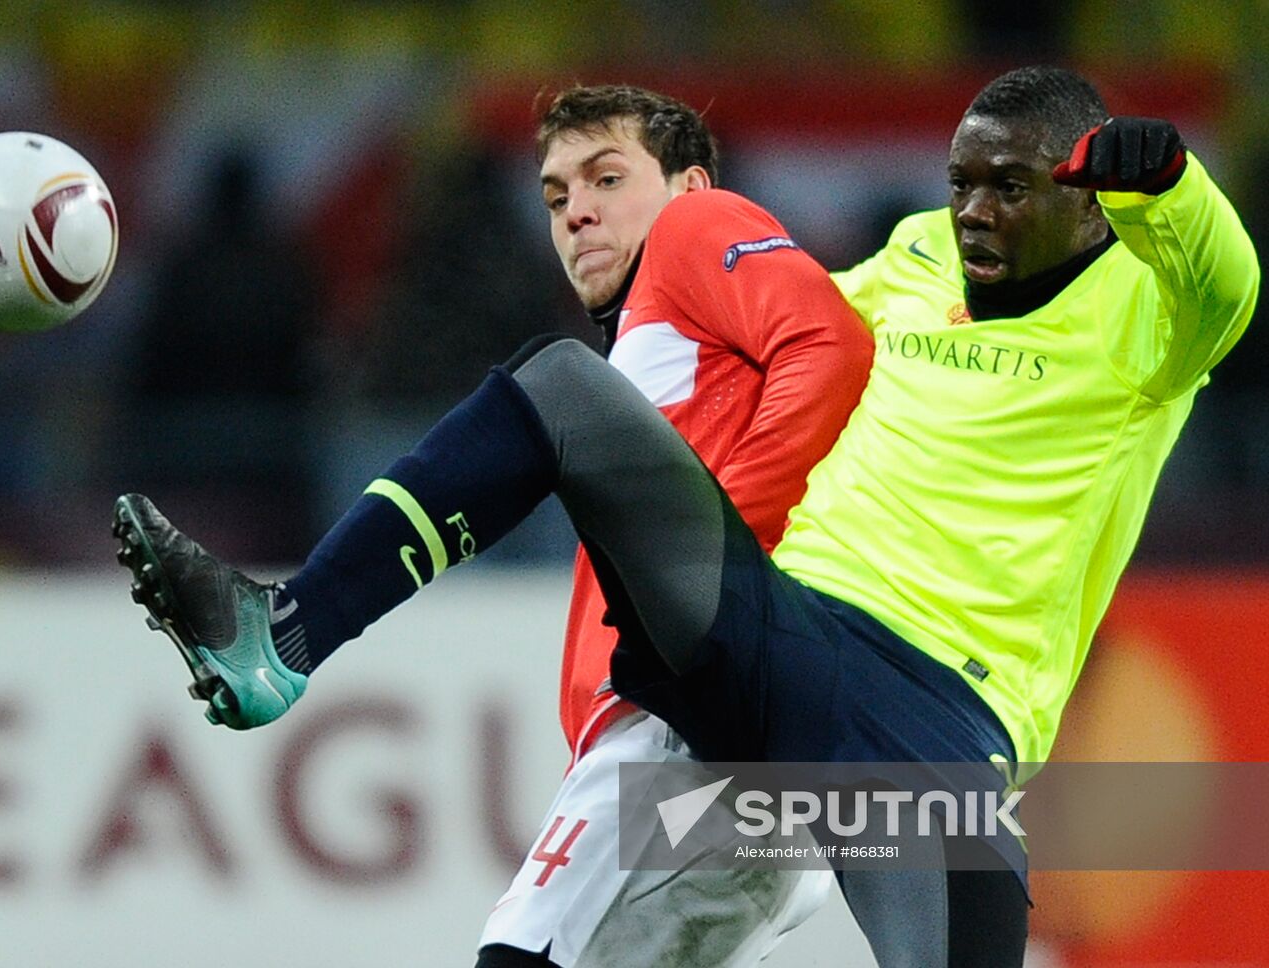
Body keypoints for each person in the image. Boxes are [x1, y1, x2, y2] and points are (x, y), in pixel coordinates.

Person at [113, 66, 1259, 967]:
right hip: (781, 631)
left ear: (1086, 196)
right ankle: (283, 635)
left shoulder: (1153, 319)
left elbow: (1226, 279)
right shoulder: (915, 256)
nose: (967, 211)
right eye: (958, 180)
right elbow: (775, 336)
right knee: (567, 387)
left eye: (1005, 186)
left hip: (935, 723)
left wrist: (1168, 184)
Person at [120, 83, 872, 968]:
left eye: (605, 178)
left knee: (550, 388)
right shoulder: (661, 353)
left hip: (696, 738)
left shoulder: (698, 232)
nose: (577, 214)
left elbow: (834, 347)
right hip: (716, 760)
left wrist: (728, 562)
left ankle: (284, 634)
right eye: (556, 197)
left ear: (689, 186)